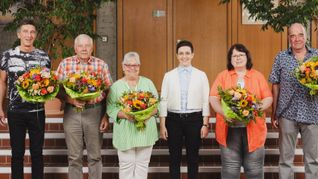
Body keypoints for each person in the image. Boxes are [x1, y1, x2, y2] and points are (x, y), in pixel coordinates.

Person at [210, 43, 273, 179]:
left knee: (255, 170)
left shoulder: (257, 76)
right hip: (229, 129)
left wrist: (256, 108)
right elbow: (213, 98)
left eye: (241, 54)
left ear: (247, 57)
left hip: (254, 129)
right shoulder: (223, 76)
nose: (238, 58)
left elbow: (268, 98)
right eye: (234, 55)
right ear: (230, 59)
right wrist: (224, 112)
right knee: (230, 170)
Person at [55, 34, 112, 179]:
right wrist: (70, 99)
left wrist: (106, 116)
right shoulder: (65, 63)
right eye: (81, 46)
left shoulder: (101, 65)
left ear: (92, 48)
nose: (84, 49)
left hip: (95, 112)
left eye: (87, 46)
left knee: (95, 156)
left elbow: (109, 91)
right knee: (74, 157)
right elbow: (55, 89)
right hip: (72, 113)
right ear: (75, 48)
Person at [0, 19, 51, 179]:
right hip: (15, 112)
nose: (29, 35)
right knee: (17, 154)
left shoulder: (43, 57)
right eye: (25, 31)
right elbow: (2, 82)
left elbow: (48, 84)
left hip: (37, 111)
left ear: (35, 35)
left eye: (32, 32)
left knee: (37, 153)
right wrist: (0, 107)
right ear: (18, 34)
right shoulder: (8, 55)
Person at [269, 23, 318, 179]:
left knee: (313, 160)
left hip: (312, 113)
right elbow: (275, 85)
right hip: (287, 114)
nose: (297, 39)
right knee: (285, 159)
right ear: (288, 38)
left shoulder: (316, 56)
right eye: (292, 35)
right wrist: (274, 112)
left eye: (300, 35)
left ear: (306, 36)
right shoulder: (281, 57)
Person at [159, 40, 210, 179]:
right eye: (181, 53)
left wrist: (205, 124)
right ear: (177, 55)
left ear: (193, 54)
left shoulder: (201, 75)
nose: (184, 56)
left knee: (193, 157)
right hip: (173, 119)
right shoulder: (168, 75)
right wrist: (162, 124)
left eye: (187, 53)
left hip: (195, 119)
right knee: (174, 157)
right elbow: (163, 101)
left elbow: (206, 101)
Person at [106, 51, 158, 179]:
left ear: (139, 67)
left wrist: (147, 114)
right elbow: (110, 107)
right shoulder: (116, 86)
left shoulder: (148, 83)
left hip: (145, 132)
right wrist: (125, 115)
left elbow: (157, 106)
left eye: (136, 65)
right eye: (128, 65)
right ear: (123, 67)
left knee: (142, 166)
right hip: (125, 133)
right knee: (126, 166)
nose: (132, 68)